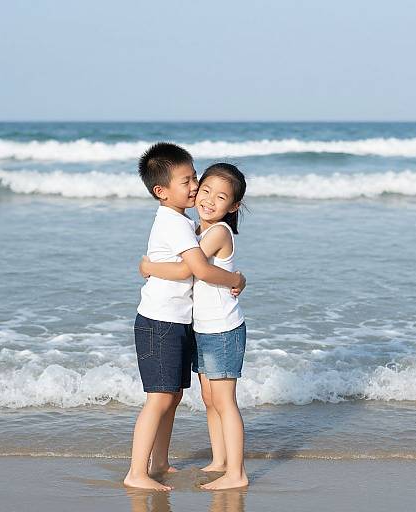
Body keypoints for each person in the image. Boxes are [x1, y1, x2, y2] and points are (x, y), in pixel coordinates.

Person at [124, 144, 246, 491]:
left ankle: (160, 461)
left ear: (233, 204)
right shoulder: (177, 223)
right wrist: (237, 279)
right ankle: (137, 472)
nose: (195, 188)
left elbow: (196, 268)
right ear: (161, 191)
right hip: (161, 321)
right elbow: (194, 269)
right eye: (189, 182)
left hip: (181, 322)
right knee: (160, 397)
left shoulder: (189, 223)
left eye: (196, 178)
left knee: (173, 395)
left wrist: (149, 265)